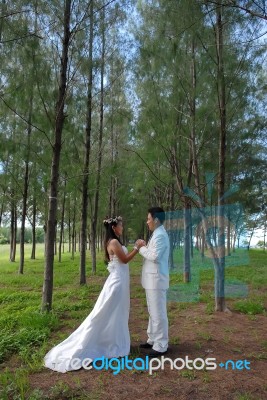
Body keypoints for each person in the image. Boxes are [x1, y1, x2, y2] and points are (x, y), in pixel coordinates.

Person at [43, 216, 142, 373]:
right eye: (121, 225)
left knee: (117, 313)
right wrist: (137, 248)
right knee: (104, 313)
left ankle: (114, 341)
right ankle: (99, 343)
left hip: (121, 281)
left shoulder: (115, 241)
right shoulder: (114, 243)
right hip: (117, 283)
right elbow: (124, 260)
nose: (122, 227)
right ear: (114, 227)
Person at [136, 207, 170, 357]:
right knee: (152, 311)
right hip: (152, 280)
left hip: (156, 281)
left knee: (158, 313)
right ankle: (152, 339)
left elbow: (154, 256)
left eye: (149, 218)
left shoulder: (160, 235)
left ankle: (161, 344)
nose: (147, 221)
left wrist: (140, 248)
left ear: (156, 220)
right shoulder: (156, 233)